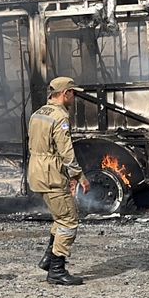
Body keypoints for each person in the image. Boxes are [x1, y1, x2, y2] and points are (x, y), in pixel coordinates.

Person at [28, 76, 90, 286]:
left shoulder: (38, 113)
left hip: (37, 171)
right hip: (51, 174)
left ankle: (49, 259)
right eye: (73, 92)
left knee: (60, 216)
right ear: (65, 93)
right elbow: (66, 151)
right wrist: (78, 176)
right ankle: (56, 270)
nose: (74, 96)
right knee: (68, 220)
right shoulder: (60, 116)